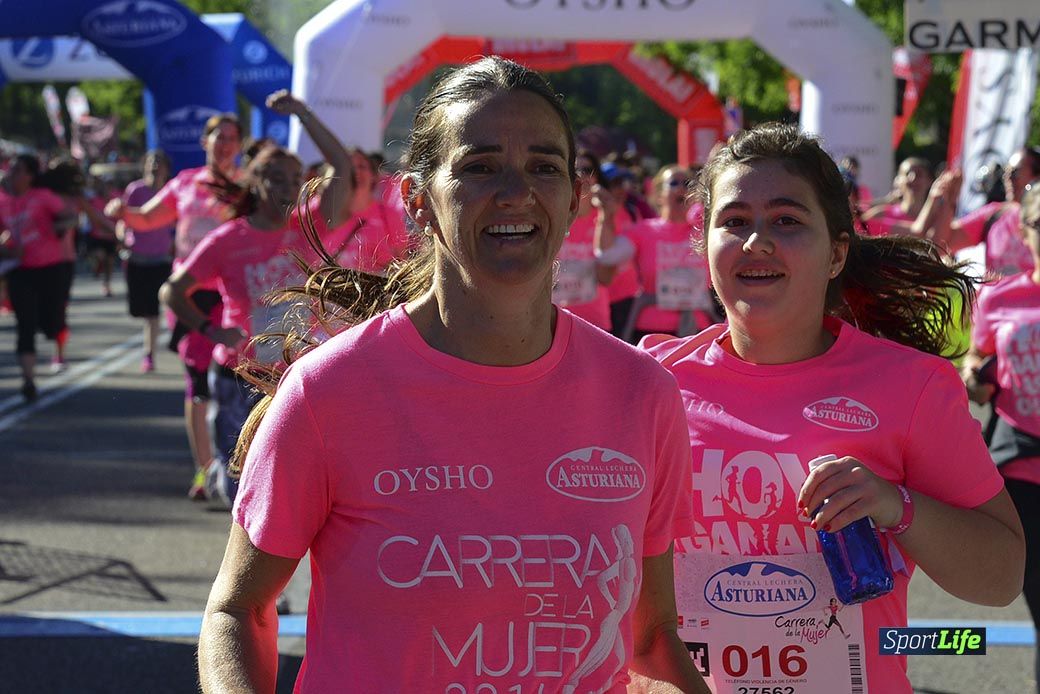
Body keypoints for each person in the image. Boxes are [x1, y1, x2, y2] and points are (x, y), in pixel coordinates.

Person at [198, 57, 708, 694]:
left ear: (575, 197)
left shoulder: (642, 391)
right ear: (418, 199)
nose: (516, 191)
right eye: (479, 166)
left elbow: (651, 641)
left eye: (544, 167)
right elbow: (238, 611)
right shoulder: (329, 391)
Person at [642, 123, 1025, 693]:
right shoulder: (650, 379)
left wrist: (895, 505)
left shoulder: (911, 385)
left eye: (787, 220)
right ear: (705, 246)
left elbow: (1000, 577)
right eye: (735, 221)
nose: (757, 241)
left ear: (836, 253)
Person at [160, 90, 352, 508]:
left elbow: (342, 166)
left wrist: (304, 112)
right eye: (275, 179)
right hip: (239, 375)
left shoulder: (310, 226)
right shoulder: (228, 239)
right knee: (241, 486)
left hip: (298, 373)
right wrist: (212, 329)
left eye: (293, 179)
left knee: (297, 483)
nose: (286, 188)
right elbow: (171, 291)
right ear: (256, 181)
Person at [106, 113, 242, 498]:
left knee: (241, 382)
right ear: (206, 141)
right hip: (190, 294)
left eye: (233, 137)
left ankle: (239, 466)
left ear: (240, 145)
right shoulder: (186, 183)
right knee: (197, 381)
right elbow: (148, 219)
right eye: (219, 136)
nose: (226, 143)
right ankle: (204, 470)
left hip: (236, 294)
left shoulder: (248, 187)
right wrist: (122, 213)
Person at [963, 185, 1040, 692]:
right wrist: (975, 376)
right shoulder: (1000, 296)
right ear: (1027, 232)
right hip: (1023, 469)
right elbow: (977, 362)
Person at [0, 155, 78, 402]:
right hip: (19, 269)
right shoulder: (3, 201)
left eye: (18, 169)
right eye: (11, 169)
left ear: (30, 176)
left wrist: (59, 226)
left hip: (50, 268)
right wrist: (5, 247)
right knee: (25, 325)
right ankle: (28, 381)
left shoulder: (42, 197)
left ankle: (55, 337)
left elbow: (71, 216)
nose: (12, 173)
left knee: (50, 322)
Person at [620, 164, 715, 342]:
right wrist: (606, 217)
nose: (681, 188)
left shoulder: (704, 231)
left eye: (687, 183)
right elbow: (607, 257)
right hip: (652, 330)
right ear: (658, 195)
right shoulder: (643, 231)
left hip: (698, 328)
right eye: (673, 183)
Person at [915, 147, 1040, 277]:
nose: (1008, 179)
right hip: (996, 297)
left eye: (1014, 172)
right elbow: (938, 246)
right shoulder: (994, 215)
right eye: (1005, 173)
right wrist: (950, 199)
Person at [551, 148, 624, 331]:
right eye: (573, 169)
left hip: (594, 323)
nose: (581, 176)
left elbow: (605, 277)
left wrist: (605, 217)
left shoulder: (608, 216)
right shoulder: (549, 218)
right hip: (551, 324)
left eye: (587, 170)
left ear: (597, 178)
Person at [117, 150, 175, 372]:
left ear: (166, 169)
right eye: (151, 162)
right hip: (137, 258)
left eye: (159, 163)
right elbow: (124, 217)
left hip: (161, 259)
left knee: (153, 311)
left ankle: (148, 354)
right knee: (139, 310)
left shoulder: (170, 192)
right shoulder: (135, 190)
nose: (154, 166)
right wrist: (122, 235)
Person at [860, 157, 932, 237]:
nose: (912, 179)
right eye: (907, 174)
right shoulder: (880, 214)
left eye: (919, 174)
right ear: (898, 181)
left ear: (929, 181)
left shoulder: (937, 218)